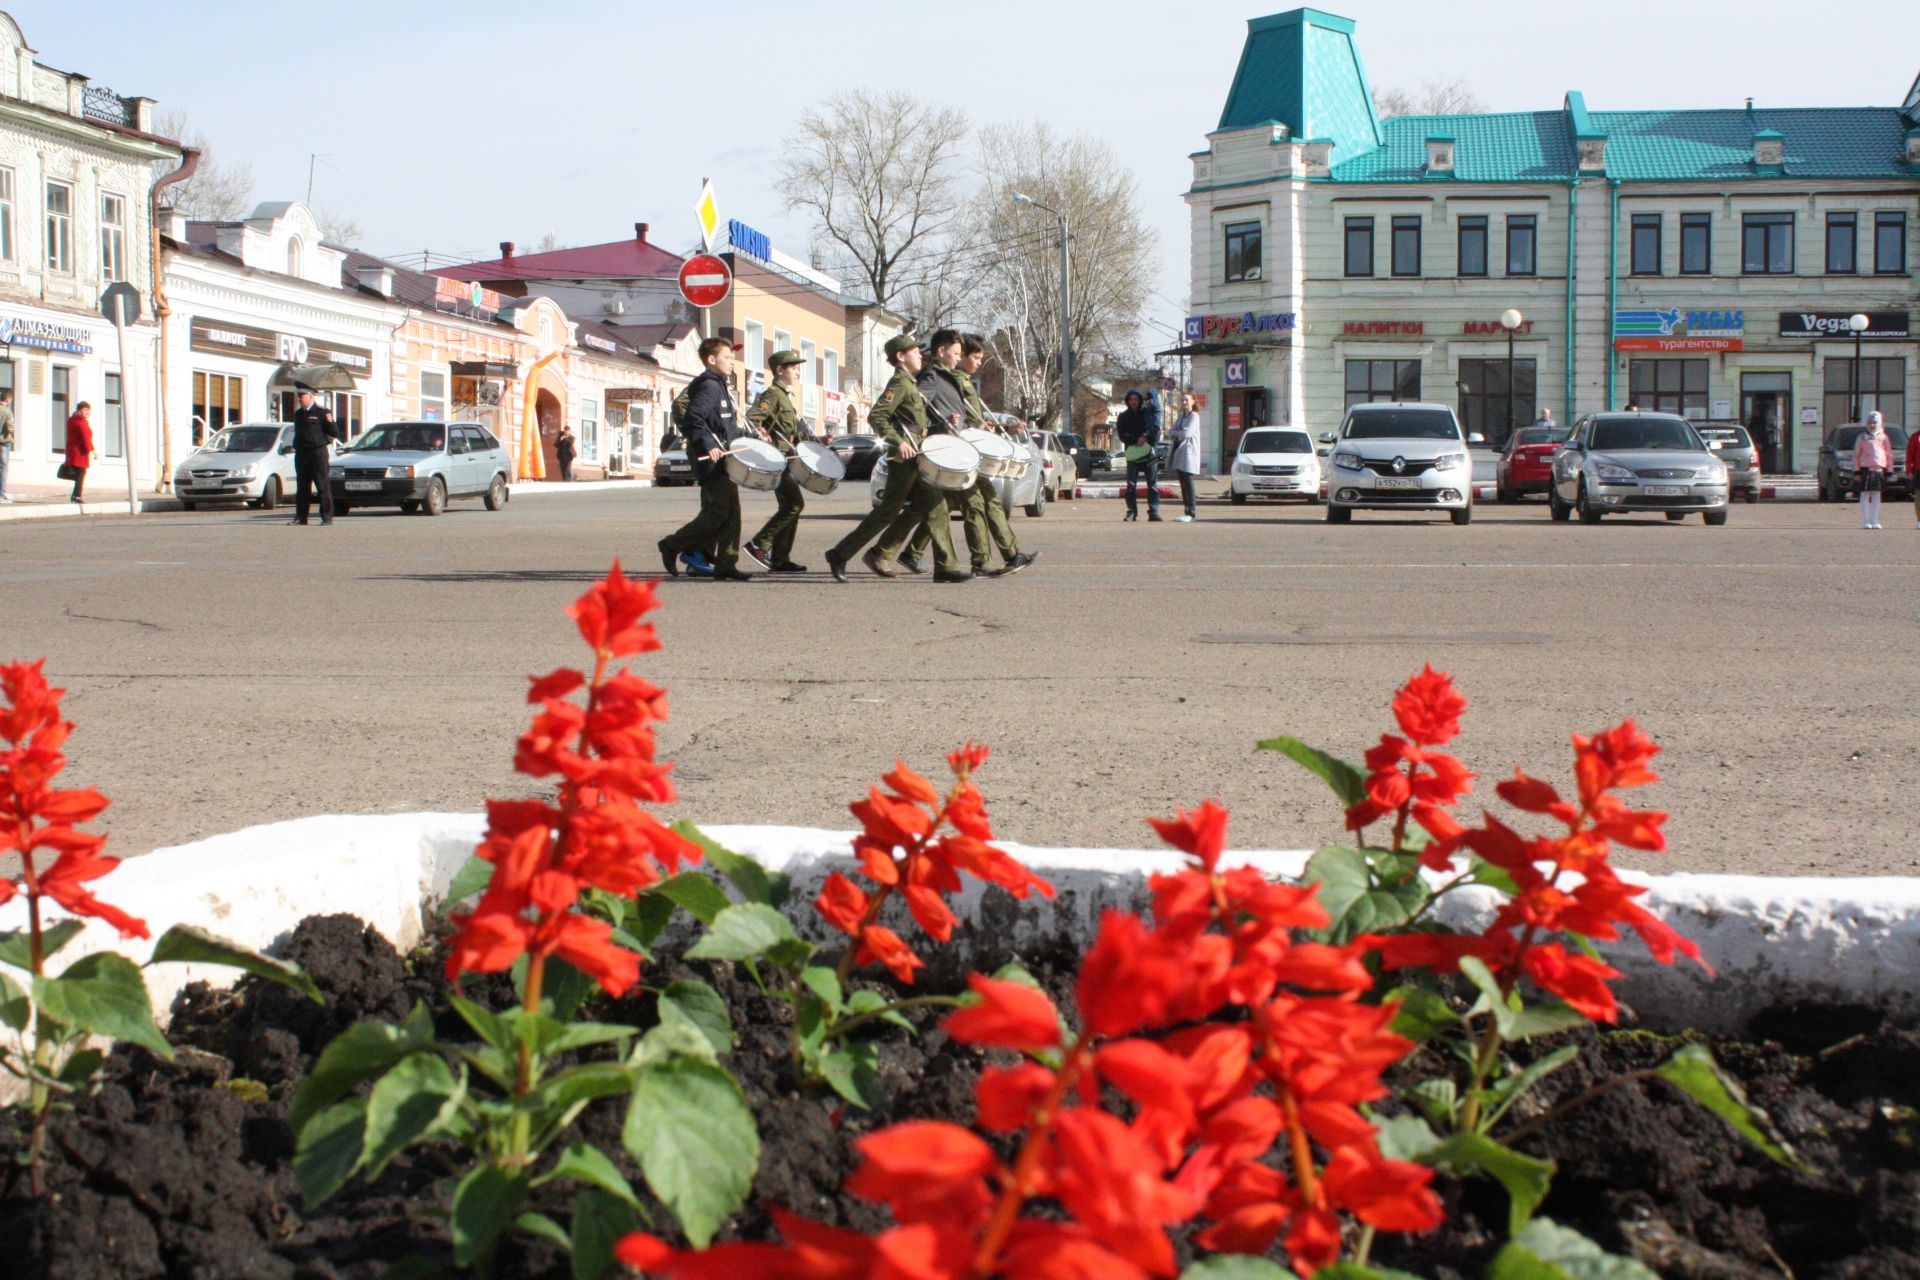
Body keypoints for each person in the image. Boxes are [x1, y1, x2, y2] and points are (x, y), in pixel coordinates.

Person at [878, 330, 1034, 579]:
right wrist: (909, 438)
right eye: (960, 354)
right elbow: (912, 412)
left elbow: (965, 418)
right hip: (948, 453)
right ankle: (983, 560)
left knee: (932, 507)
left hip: (959, 449)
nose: (970, 360)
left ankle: (897, 552)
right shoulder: (932, 378)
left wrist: (996, 427)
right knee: (972, 503)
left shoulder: (948, 377)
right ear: (944, 352)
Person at [822, 333, 962, 583]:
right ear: (900, 356)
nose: (920, 354)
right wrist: (898, 442)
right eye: (914, 351)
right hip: (904, 459)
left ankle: (946, 567)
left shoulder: (910, 384)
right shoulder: (900, 383)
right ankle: (839, 553)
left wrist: (943, 423)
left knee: (937, 506)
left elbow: (915, 424)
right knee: (888, 512)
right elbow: (877, 416)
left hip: (918, 456)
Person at [658, 337, 752, 581]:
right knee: (719, 511)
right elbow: (693, 419)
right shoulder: (708, 385)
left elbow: (724, 427)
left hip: (724, 456)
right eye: (728, 357)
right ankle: (673, 544)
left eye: (733, 357)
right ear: (712, 359)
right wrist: (708, 444)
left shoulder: (720, 385)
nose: (733, 362)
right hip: (710, 458)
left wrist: (751, 436)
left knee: (731, 511)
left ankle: (726, 564)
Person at [742, 349, 811, 573]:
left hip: (788, 456)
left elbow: (790, 432)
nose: (798, 371)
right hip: (778, 458)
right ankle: (759, 544)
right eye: (793, 367)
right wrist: (760, 433)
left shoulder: (786, 396)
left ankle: (781, 558)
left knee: (791, 505)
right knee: (794, 504)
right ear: (780, 370)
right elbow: (753, 418)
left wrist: (816, 440)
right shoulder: (773, 394)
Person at [289, 383, 343, 525]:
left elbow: (334, 432)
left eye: (302, 396)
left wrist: (322, 442)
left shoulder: (322, 412)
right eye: (298, 396)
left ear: (311, 396)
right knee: (302, 487)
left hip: (317, 453)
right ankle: (301, 517)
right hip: (302, 453)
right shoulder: (299, 414)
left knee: (322, 486)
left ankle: (326, 517)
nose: (299, 399)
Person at [1115, 390, 1161, 521]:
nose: (1133, 402)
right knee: (1131, 485)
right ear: (1128, 401)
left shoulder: (1147, 413)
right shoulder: (1123, 416)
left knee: (1152, 485)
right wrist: (1136, 440)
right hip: (1133, 454)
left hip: (1149, 454)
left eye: (1136, 399)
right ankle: (1131, 511)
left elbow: (1154, 429)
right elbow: (1122, 435)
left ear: (1140, 400)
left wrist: (1146, 438)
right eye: (1131, 399)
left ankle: (1153, 511)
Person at [1852, 410, 1892, 530]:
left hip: (1879, 469)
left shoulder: (1884, 437)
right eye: (1869, 422)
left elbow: (1889, 454)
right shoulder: (1862, 437)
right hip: (1865, 469)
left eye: (1874, 422)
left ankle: (1875, 520)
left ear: (1879, 423)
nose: (1872, 425)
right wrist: (1856, 470)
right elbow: (1856, 455)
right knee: (1864, 495)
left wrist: (1889, 469)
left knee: (1876, 495)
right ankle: (1866, 520)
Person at [1168, 392, 1202, 521]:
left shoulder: (1194, 416)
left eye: (1186, 400)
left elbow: (1187, 433)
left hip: (1189, 453)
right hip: (1180, 452)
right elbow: (1170, 431)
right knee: (1182, 483)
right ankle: (1186, 511)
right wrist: (1177, 433)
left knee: (1188, 482)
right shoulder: (1181, 416)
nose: (1184, 403)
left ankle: (1191, 513)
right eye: (1182, 400)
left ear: (1193, 401)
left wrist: (1176, 433)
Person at [63, 400, 93, 504]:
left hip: (72, 451)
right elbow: (85, 438)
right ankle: (77, 496)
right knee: (81, 474)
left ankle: (75, 496)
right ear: (80, 410)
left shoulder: (72, 420)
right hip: (80, 453)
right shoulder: (81, 422)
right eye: (86, 410)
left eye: (89, 411)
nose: (87, 413)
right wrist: (92, 450)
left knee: (78, 475)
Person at [0, 387, 13, 503]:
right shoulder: (7, 411)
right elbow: (10, 428)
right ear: (8, 399)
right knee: (3, 468)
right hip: (3, 443)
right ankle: (2, 494)